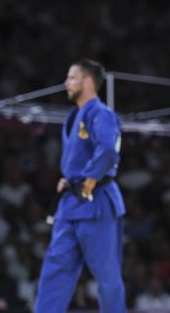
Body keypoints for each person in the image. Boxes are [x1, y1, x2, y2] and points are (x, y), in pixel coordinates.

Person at [35, 59, 127, 312]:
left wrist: (89, 179)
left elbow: (108, 150)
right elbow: (80, 156)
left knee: (106, 274)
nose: (66, 83)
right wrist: (71, 178)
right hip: (70, 203)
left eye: (71, 78)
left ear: (87, 82)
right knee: (55, 269)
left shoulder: (101, 113)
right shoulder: (75, 115)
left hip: (95, 201)